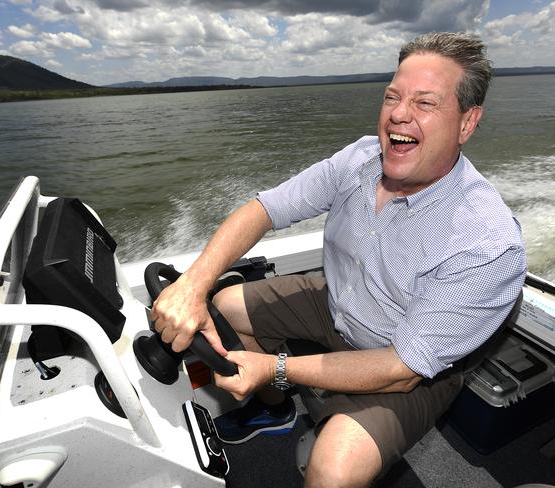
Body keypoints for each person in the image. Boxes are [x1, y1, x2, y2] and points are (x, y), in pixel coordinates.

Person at [151, 32, 526, 487]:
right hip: (338, 302)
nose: (399, 114)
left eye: (425, 103)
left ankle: (274, 388)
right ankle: (274, 411)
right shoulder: (360, 159)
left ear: (467, 123)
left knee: (333, 469)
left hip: (404, 360)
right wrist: (193, 285)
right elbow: (264, 210)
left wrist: (276, 368)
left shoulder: (487, 242)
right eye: (392, 96)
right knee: (225, 304)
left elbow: (400, 370)